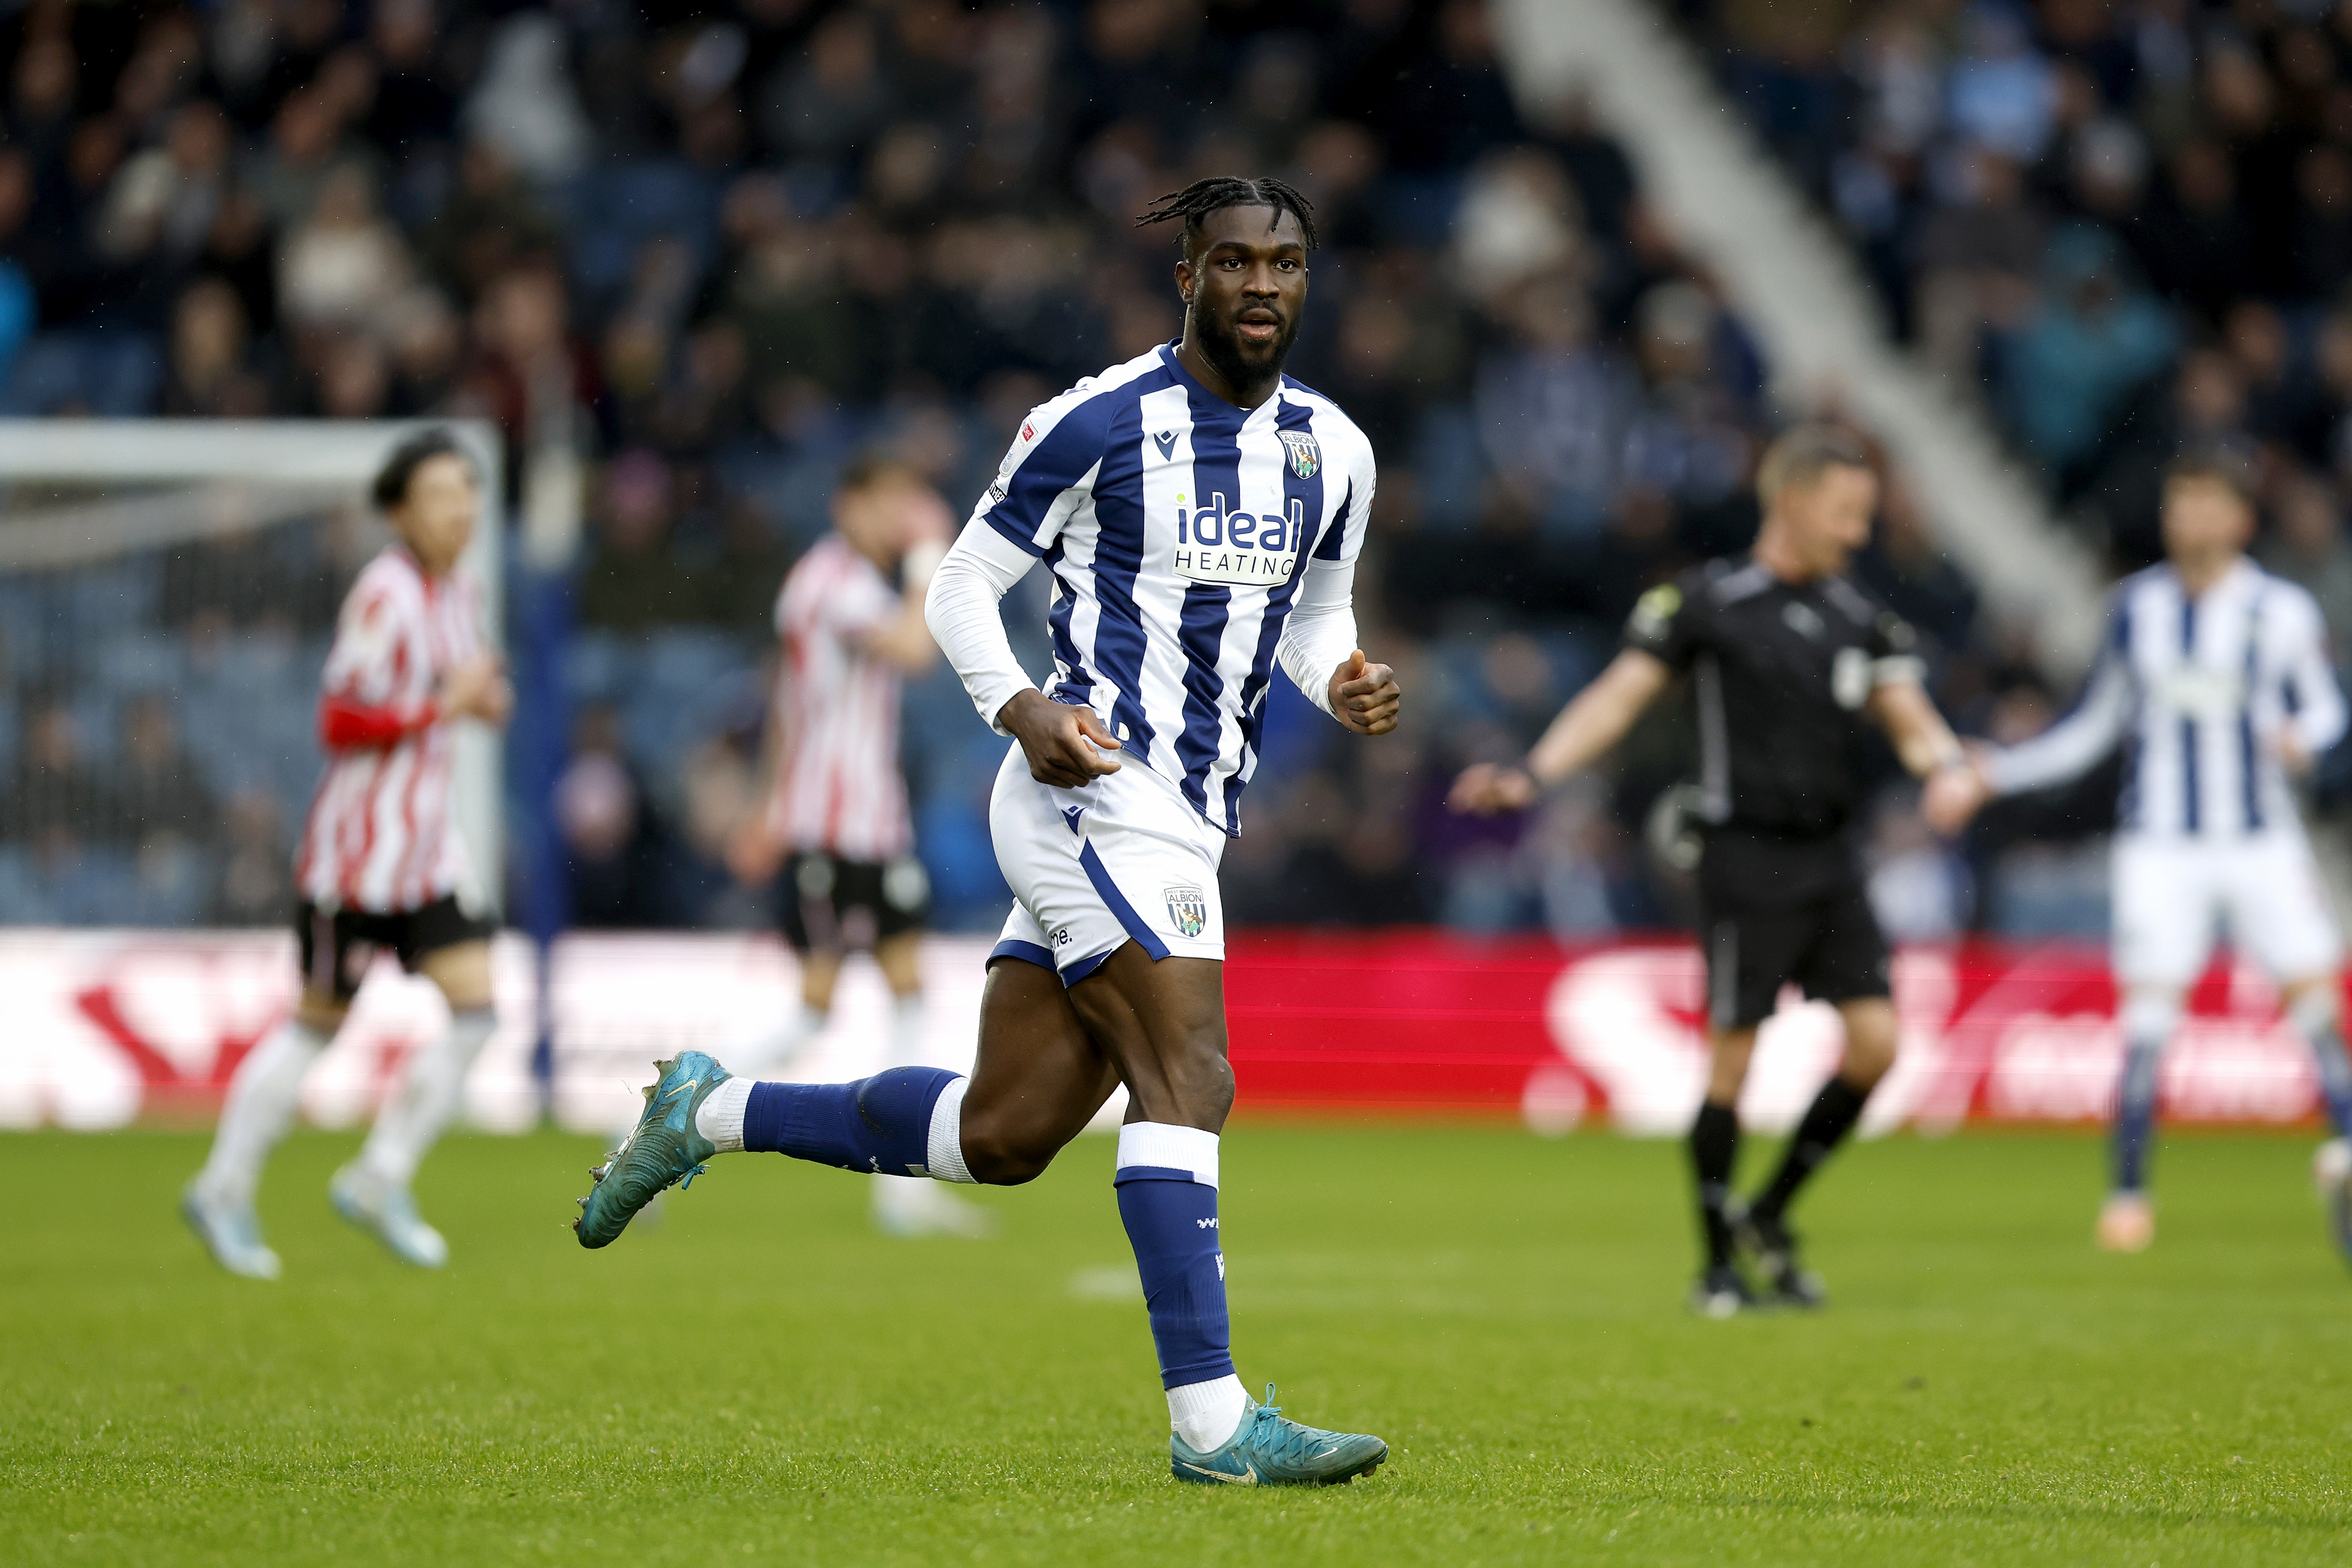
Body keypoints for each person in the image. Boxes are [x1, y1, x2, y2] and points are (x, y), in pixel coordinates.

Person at [573, 177, 1401, 1487]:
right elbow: (963, 580)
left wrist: (1340, 676)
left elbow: (1311, 617)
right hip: (1090, 792)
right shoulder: (1094, 421)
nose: (1260, 285)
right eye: (1232, 261)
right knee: (1190, 1077)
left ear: (1306, 281)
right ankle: (1212, 1425)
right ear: (1183, 276)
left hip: (1191, 816)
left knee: (1003, 1135)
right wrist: (1018, 706)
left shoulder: (1332, 452)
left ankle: (707, 1110)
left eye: (1284, 264)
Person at [1451, 425, 1971, 1316]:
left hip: (1834, 859)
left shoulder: (1861, 618)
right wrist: (1533, 774)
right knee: (1734, 1061)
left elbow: (1911, 716)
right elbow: (1618, 695)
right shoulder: (1705, 602)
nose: (1856, 534)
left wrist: (1948, 769)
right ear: (1794, 501)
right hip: (1744, 856)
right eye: (1845, 514)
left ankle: (1766, 1211)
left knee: (1879, 1045)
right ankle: (1716, 1265)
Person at [1924, 452, 2352, 1261]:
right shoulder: (2136, 609)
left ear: (2239, 519)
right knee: (2147, 1020)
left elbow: (2327, 704)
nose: (2187, 522)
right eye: (2177, 505)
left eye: (2203, 506)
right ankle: (2127, 1197)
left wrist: (2307, 740)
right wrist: (1997, 773)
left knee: (2318, 1010)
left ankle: (2348, 1159)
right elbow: (2092, 727)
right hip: (2159, 845)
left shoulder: (2279, 611)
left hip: (2260, 838)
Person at [182, 429, 512, 1279]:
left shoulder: (459, 593)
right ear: (401, 511)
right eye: (442, 495)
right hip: (359, 859)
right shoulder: (385, 594)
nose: (462, 510)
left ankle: (379, 1175)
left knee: (478, 1012)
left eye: (468, 493)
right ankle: (223, 1187)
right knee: (318, 1023)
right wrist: (445, 704)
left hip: (427, 855)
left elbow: (457, 697)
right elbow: (340, 718)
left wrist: (478, 703)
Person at [725, 453, 992, 1239]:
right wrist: (926, 560)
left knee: (910, 993)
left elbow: (786, 702)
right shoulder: (832, 582)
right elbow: (913, 651)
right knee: (811, 1015)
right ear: (848, 505)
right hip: (831, 832)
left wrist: (763, 801)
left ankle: (903, 1192)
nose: (896, 518)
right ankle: (663, 1111)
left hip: (873, 827)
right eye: (886, 503)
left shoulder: (842, 584)